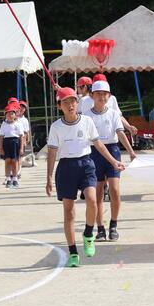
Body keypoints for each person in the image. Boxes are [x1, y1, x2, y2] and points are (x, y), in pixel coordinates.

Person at [45, 87, 125, 267]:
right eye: (65, 102)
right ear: (59, 106)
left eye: (73, 101)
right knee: (69, 211)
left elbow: (98, 144)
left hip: (86, 164)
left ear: (77, 102)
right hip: (66, 168)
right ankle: (73, 252)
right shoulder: (56, 127)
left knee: (92, 199)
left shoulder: (87, 121)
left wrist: (113, 161)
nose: (70, 105)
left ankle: (88, 234)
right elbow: (52, 152)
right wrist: (49, 177)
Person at [85, 80, 137, 241]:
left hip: (113, 151)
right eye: (98, 94)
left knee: (114, 190)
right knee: (98, 193)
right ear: (92, 95)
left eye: (104, 94)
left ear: (109, 96)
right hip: (94, 153)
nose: (101, 97)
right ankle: (100, 228)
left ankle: (113, 225)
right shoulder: (86, 116)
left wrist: (131, 151)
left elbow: (120, 133)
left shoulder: (113, 114)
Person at [0, 104, 25, 188]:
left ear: (15, 115)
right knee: (7, 160)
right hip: (6, 143)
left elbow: (21, 137)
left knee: (14, 161)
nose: (10, 115)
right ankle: (8, 178)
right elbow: (1, 137)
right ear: (5, 115)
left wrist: (21, 148)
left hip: (15, 143)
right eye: (8, 114)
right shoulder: (4, 124)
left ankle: (15, 178)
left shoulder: (18, 124)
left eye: (12, 113)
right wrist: (1, 148)